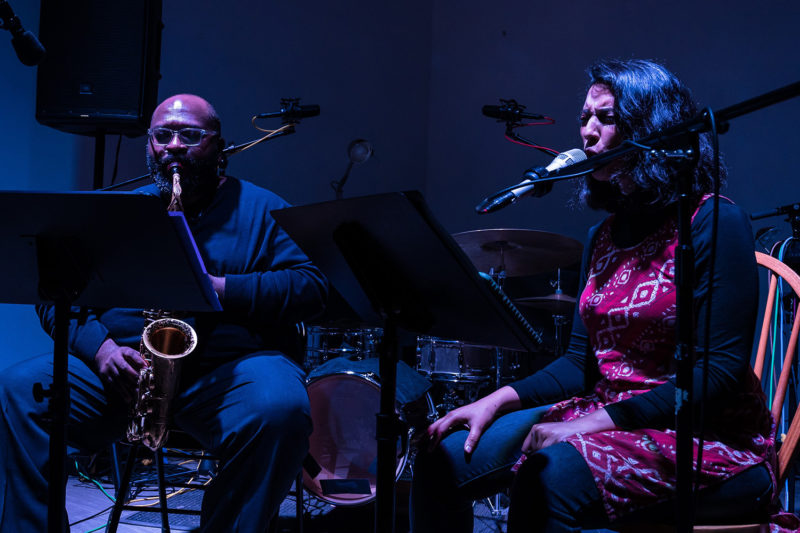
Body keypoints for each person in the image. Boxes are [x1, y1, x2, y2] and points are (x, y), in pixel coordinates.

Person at [411, 59, 783, 532]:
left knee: (547, 477)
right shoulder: (602, 236)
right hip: (607, 414)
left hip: (710, 438)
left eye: (605, 117)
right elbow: (579, 362)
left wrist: (590, 425)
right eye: (584, 116)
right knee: (440, 461)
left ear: (652, 128)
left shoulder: (713, 222)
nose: (586, 132)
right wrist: (498, 398)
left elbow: (720, 373)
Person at [0, 94, 328, 532]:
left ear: (219, 145)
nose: (174, 145)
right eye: (163, 135)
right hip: (122, 372)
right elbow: (54, 294)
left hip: (229, 373)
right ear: (149, 144)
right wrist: (101, 351)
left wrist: (217, 288)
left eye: (190, 135)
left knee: (280, 410)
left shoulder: (264, 208)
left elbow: (313, 285)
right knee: (21, 390)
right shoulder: (120, 211)